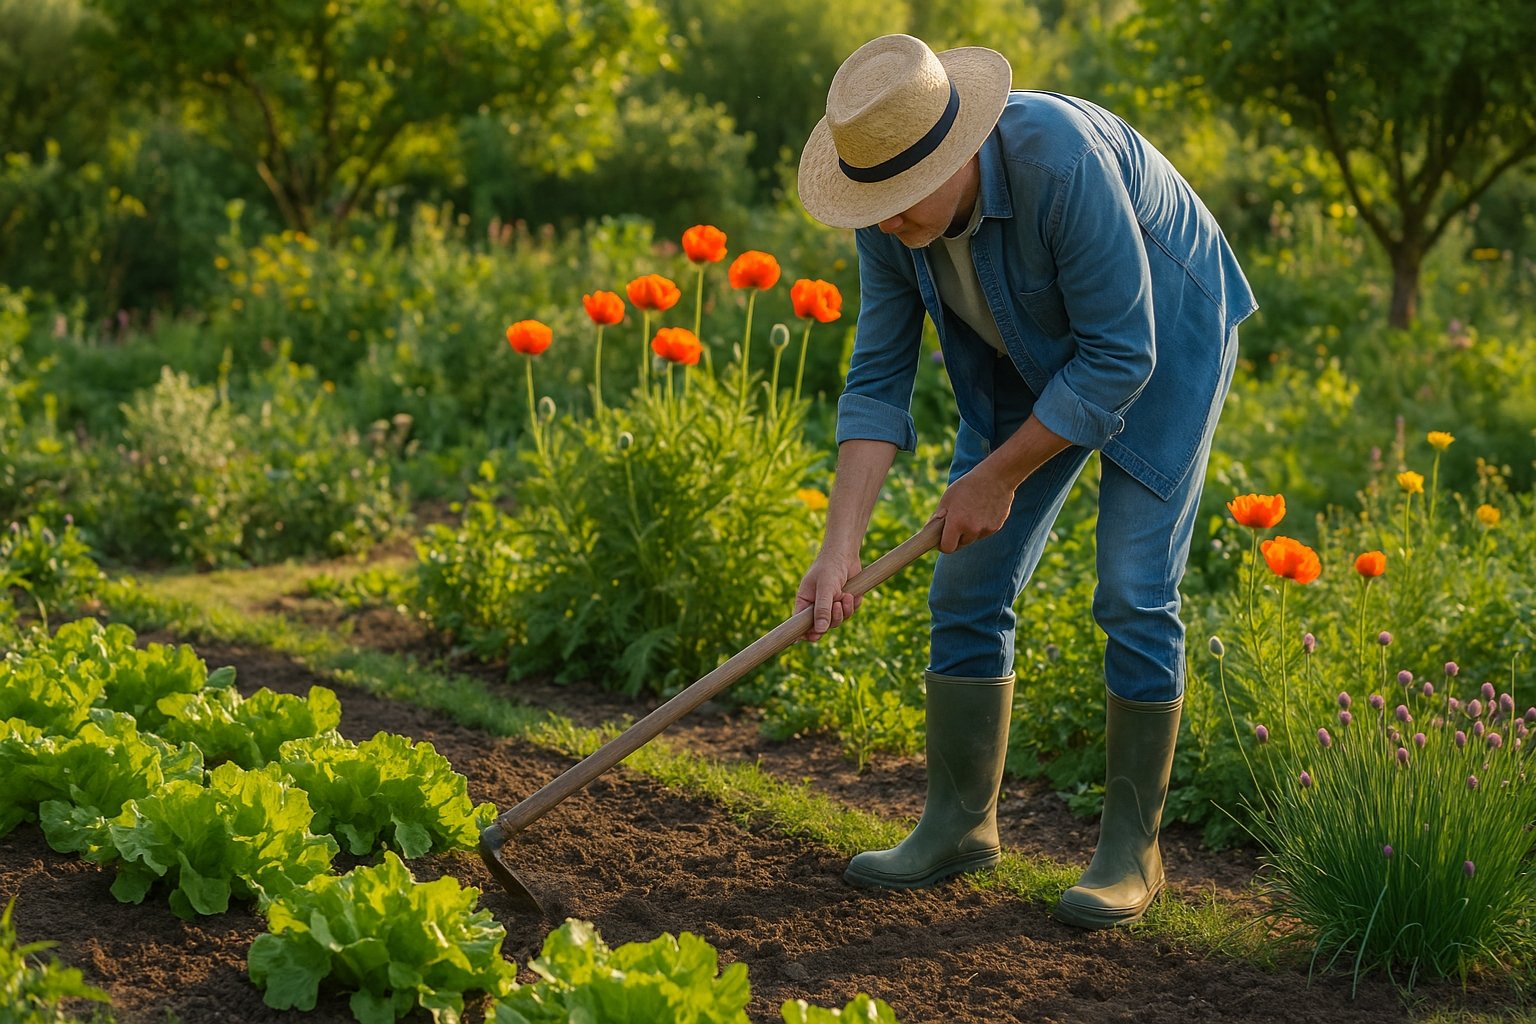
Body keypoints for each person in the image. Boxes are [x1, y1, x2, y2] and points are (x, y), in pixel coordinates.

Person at [793, 33, 1256, 929]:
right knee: (966, 583)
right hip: (1026, 349)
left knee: (1131, 587)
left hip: (1160, 342)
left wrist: (997, 477)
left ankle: (1133, 852)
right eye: (872, 202)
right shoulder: (888, 212)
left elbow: (1122, 354)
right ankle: (959, 826)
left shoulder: (1059, 161)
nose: (886, 221)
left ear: (958, 149)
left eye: (897, 200)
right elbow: (879, 377)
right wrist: (837, 549)